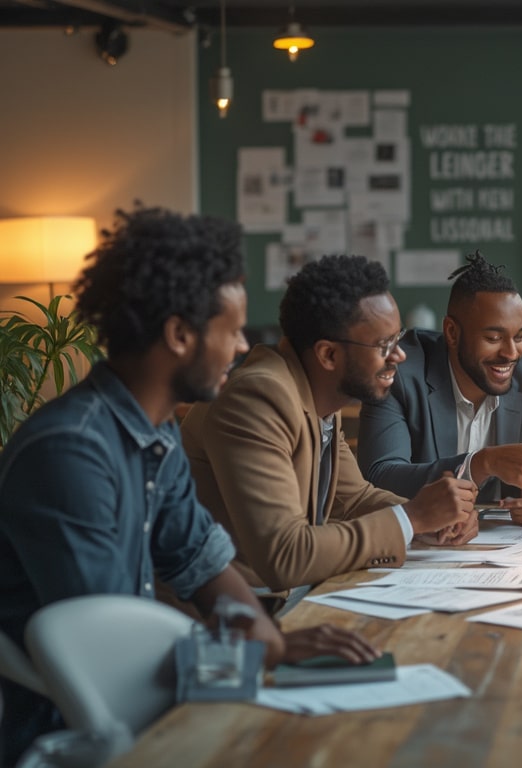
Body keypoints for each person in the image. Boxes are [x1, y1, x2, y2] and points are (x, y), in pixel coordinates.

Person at [0, 208, 374, 763]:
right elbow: (107, 644)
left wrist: (272, 643)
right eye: (231, 330)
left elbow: (202, 563)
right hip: (85, 734)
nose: (244, 346)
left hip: (152, 700)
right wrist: (259, 655)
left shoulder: (157, 434)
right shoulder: (69, 452)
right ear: (179, 334)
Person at [181, 255, 478, 611]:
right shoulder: (258, 399)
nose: (398, 355)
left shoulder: (316, 394)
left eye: (397, 339)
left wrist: (435, 521)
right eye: (383, 345)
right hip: (235, 616)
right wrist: (412, 518)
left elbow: (352, 499)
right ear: (328, 354)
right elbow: (284, 556)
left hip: (287, 598)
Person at [358, 251, 522, 527]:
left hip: (509, 553)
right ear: (451, 333)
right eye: (493, 337)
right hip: (421, 546)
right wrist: (481, 464)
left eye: (519, 337)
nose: (511, 353)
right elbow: (380, 476)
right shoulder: (399, 371)